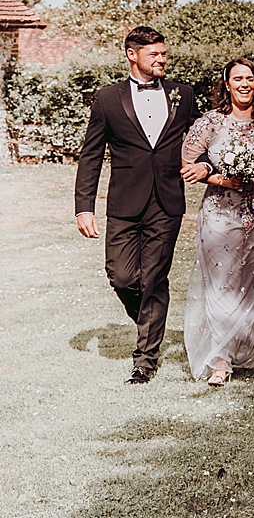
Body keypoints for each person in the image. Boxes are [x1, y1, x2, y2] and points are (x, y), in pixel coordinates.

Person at [74, 26, 202, 384]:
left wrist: (205, 165)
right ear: (132, 54)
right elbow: (91, 156)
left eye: (163, 53)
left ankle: (145, 360)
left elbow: (203, 137)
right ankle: (149, 320)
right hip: (124, 203)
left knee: (155, 278)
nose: (162, 59)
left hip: (167, 201)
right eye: (154, 54)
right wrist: (84, 207)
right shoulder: (107, 99)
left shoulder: (183, 94)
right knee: (122, 276)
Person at [180, 58, 254, 386]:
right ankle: (221, 358)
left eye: (250, 78)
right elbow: (186, 164)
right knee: (222, 284)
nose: (244, 84)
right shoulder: (209, 123)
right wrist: (220, 178)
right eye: (237, 78)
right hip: (221, 213)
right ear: (226, 84)